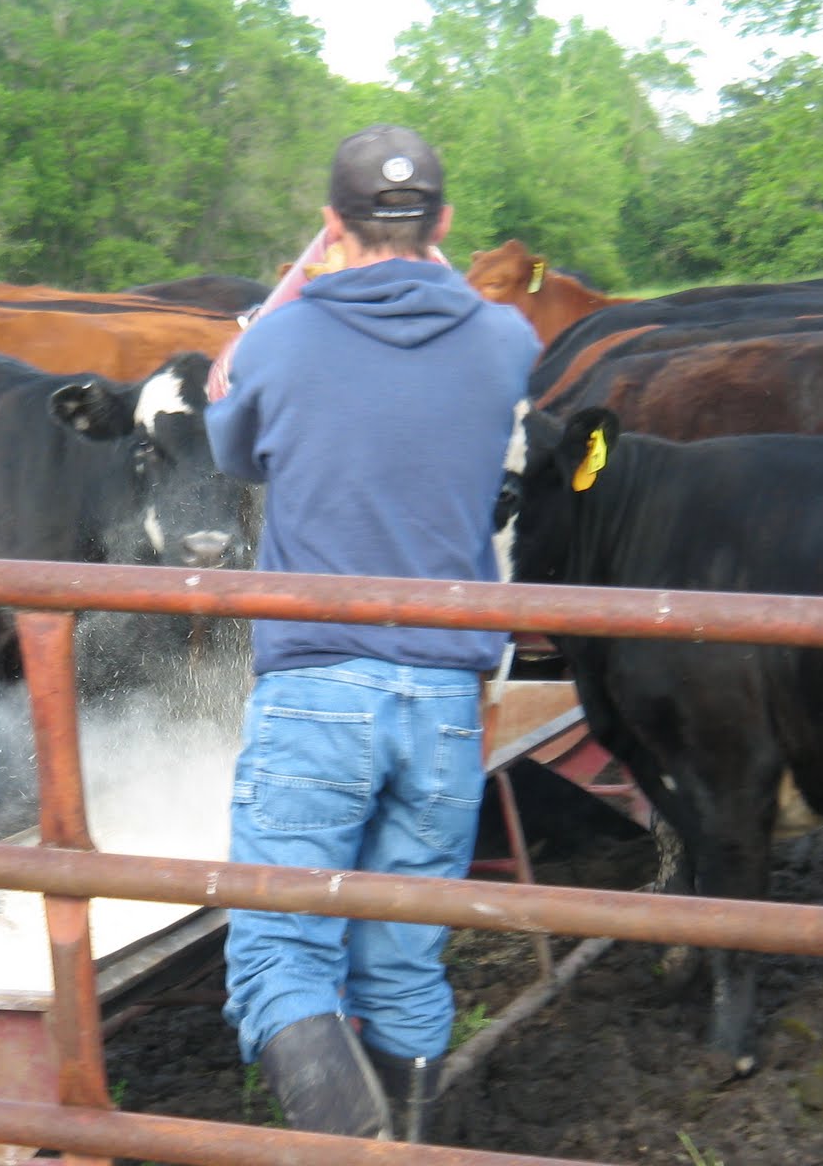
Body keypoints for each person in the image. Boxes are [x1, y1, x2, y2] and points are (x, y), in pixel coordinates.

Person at [203, 123, 539, 1142]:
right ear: (442, 221)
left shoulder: (281, 338)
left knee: (277, 952)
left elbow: (235, 450)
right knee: (400, 960)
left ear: (329, 225)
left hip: (315, 691)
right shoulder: (505, 341)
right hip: (443, 701)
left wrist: (272, 319)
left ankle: (353, 1152)